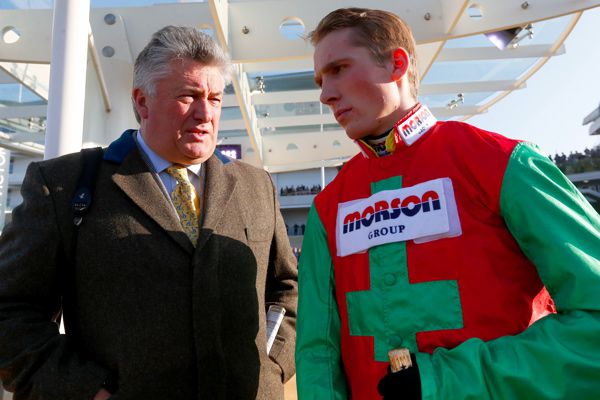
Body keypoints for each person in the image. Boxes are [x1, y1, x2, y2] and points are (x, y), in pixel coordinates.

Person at [295, 7, 600, 400]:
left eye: (338, 68)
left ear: (396, 64)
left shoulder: (505, 164)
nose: (325, 94)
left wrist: (451, 380)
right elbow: (318, 354)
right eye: (321, 79)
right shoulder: (328, 206)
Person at [0, 26, 297, 400]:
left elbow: (288, 290)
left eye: (216, 98)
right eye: (188, 96)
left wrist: (272, 364)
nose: (205, 113)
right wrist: (85, 390)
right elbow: (9, 311)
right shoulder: (62, 184)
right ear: (142, 102)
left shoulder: (257, 186)